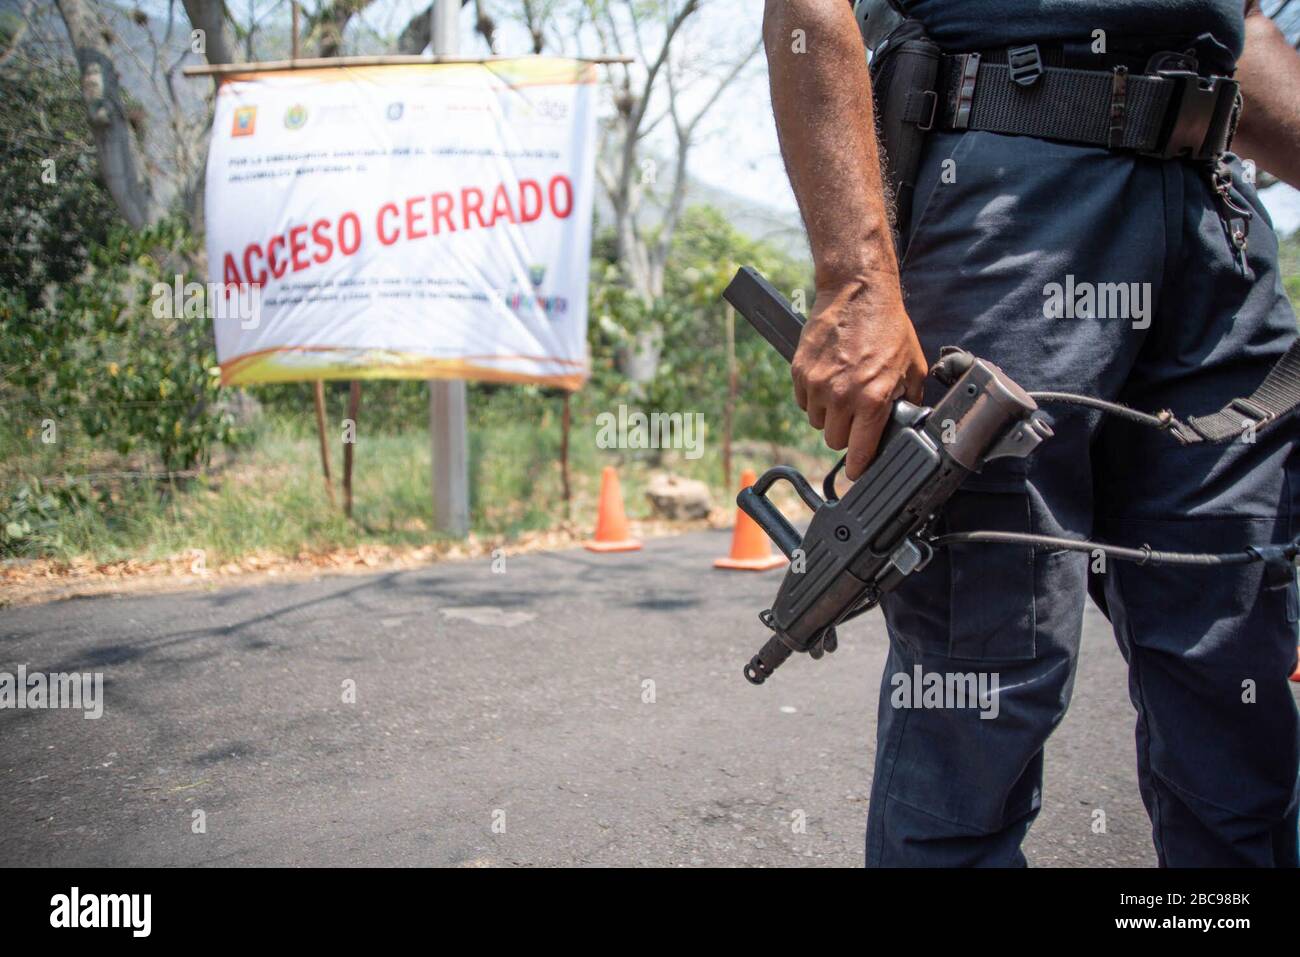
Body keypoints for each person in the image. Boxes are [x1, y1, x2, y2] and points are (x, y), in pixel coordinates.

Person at [763, 0, 1300, 866]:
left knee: (1232, 683)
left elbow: (1242, 28)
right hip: (1009, 204)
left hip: (1216, 227)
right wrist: (856, 273)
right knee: (981, 693)